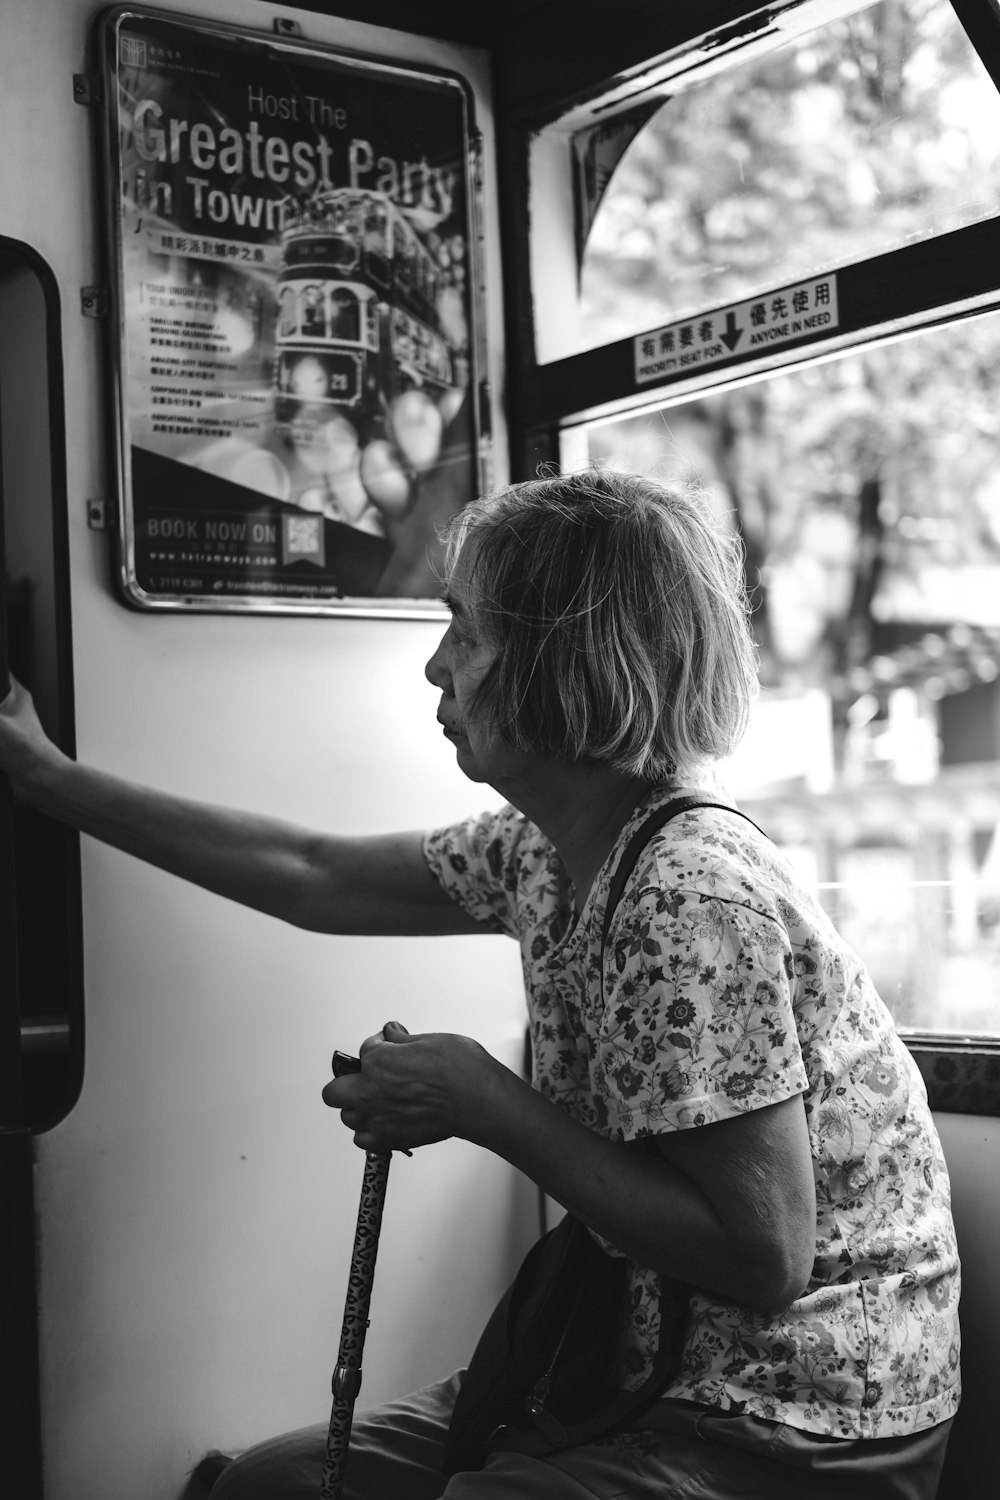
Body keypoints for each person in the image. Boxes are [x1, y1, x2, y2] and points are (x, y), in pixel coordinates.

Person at [0, 469, 959, 1499]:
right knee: (269, 1487)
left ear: (560, 658)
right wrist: (49, 782)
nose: (432, 667)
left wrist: (479, 1100)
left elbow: (760, 1256)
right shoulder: (545, 850)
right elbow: (311, 873)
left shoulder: (689, 895)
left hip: (791, 1416)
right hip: (628, 1370)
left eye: (464, 633)